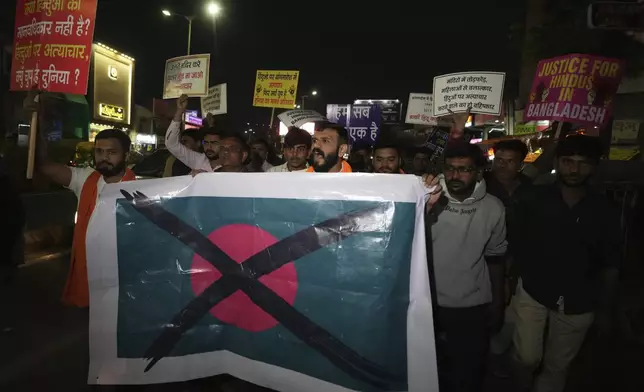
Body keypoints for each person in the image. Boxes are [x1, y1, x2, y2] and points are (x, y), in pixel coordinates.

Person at [512, 135, 621, 392]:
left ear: (594, 167)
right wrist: (548, 151)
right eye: (568, 162)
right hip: (534, 290)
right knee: (527, 357)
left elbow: (611, 261)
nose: (574, 169)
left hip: (580, 299)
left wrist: (606, 308)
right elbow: (520, 185)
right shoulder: (535, 198)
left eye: (582, 163)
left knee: (557, 367)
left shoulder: (605, 209)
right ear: (558, 163)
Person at [429, 140, 507, 392]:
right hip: (427, 300)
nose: (455, 175)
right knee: (430, 369)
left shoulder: (493, 207)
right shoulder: (428, 198)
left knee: (468, 371)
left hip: (471, 304)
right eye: (450, 168)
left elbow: (495, 256)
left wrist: (497, 299)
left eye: (464, 169)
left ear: (478, 172)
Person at [37, 123, 135, 307]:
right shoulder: (86, 178)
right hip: (89, 275)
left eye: (111, 152)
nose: (104, 157)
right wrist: (36, 123)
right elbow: (46, 167)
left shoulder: (142, 189)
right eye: (99, 151)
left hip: (122, 280)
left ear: (126, 155)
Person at [485, 139, 533, 374]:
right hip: (486, 258)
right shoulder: (481, 183)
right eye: (499, 160)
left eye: (509, 162)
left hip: (520, 258)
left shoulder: (530, 187)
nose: (502, 166)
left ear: (520, 165)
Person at [167, 94, 222, 172]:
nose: (209, 147)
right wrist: (179, 111)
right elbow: (171, 144)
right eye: (206, 143)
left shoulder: (231, 165)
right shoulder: (199, 160)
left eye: (214, 143)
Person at [0, 156, 25, 284]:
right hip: (11, 221)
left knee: (6, 250)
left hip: (8, 221)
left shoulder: (6, 185)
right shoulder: (10, 183)